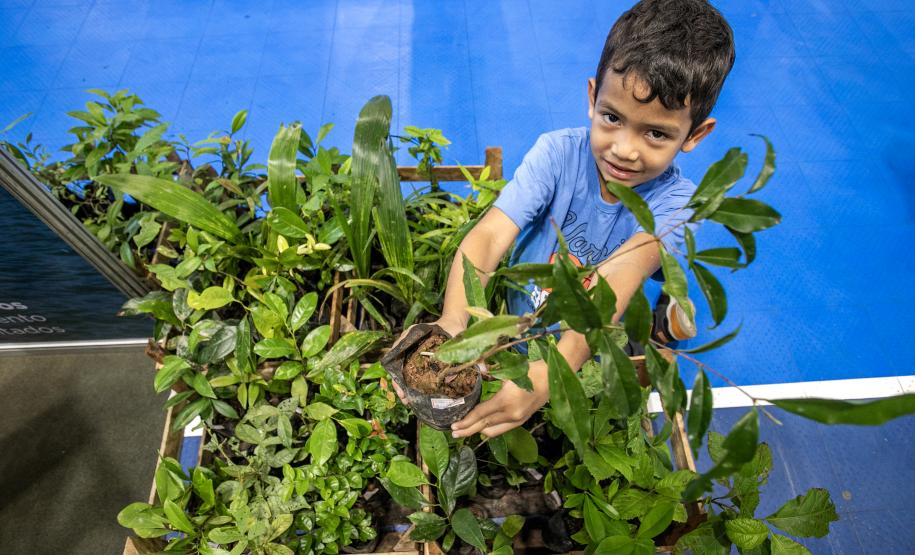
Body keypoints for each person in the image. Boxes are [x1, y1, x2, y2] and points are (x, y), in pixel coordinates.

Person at [397, 0, 735, 439]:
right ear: (593, 97)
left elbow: (610, 292)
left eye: (655, 133)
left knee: (627, 333)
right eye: (612, 118)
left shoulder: (675, 206)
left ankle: (660, 320)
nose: (625, 150)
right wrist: (454, 323)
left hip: (594, 325)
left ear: (695, 135)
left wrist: (543, 381)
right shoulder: (558, 155)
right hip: (527, 313)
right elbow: (491, 235)